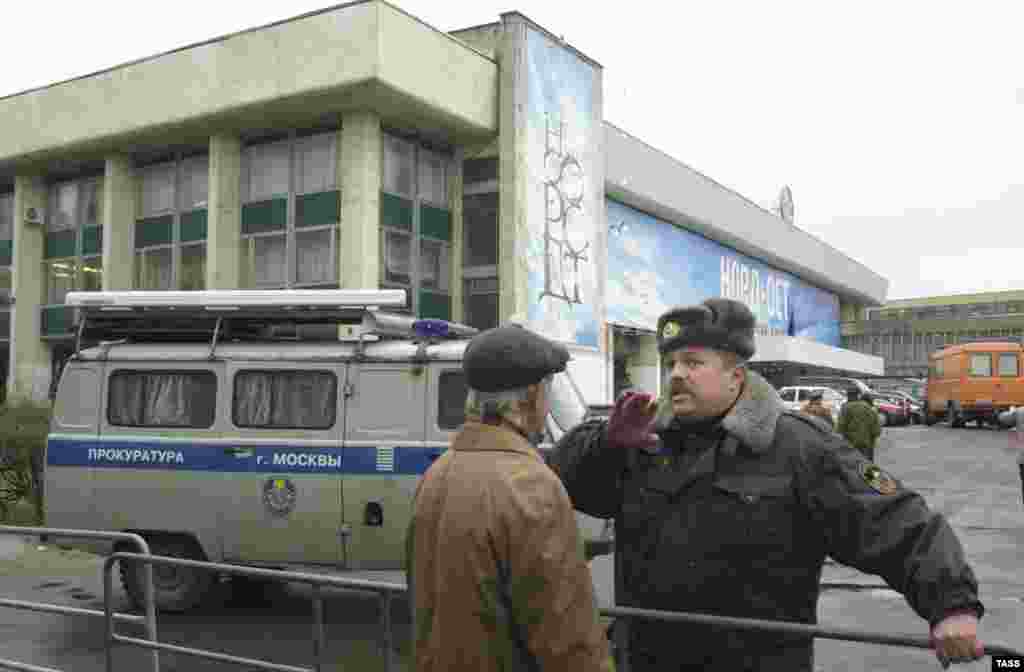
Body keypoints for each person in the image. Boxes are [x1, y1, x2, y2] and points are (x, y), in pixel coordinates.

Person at [546, 298, 985, 672]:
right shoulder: (640, 438)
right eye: (672, 363)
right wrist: (604, 443)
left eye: (694, 363)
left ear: (737, 377)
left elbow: (898, 522)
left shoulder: (798, 445)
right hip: (646, 660)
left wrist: (952, 605)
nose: (677, 374)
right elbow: (556, 484)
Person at [405, 323, 614, 672]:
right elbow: (566, 633)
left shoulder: (438, 473)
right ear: (532, 397)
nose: (547, 407)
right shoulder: (531, 484)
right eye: (548, 392)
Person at [836, 388, 882, 461]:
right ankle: (871, 472)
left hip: (850, 443)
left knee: (852, 465)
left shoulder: (845, 407)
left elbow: (840, 427)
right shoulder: (869, 407)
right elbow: (877, 430)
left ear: (847, 396)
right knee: (867, 465)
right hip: (866, 444)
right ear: (858, 395)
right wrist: (871, 439)